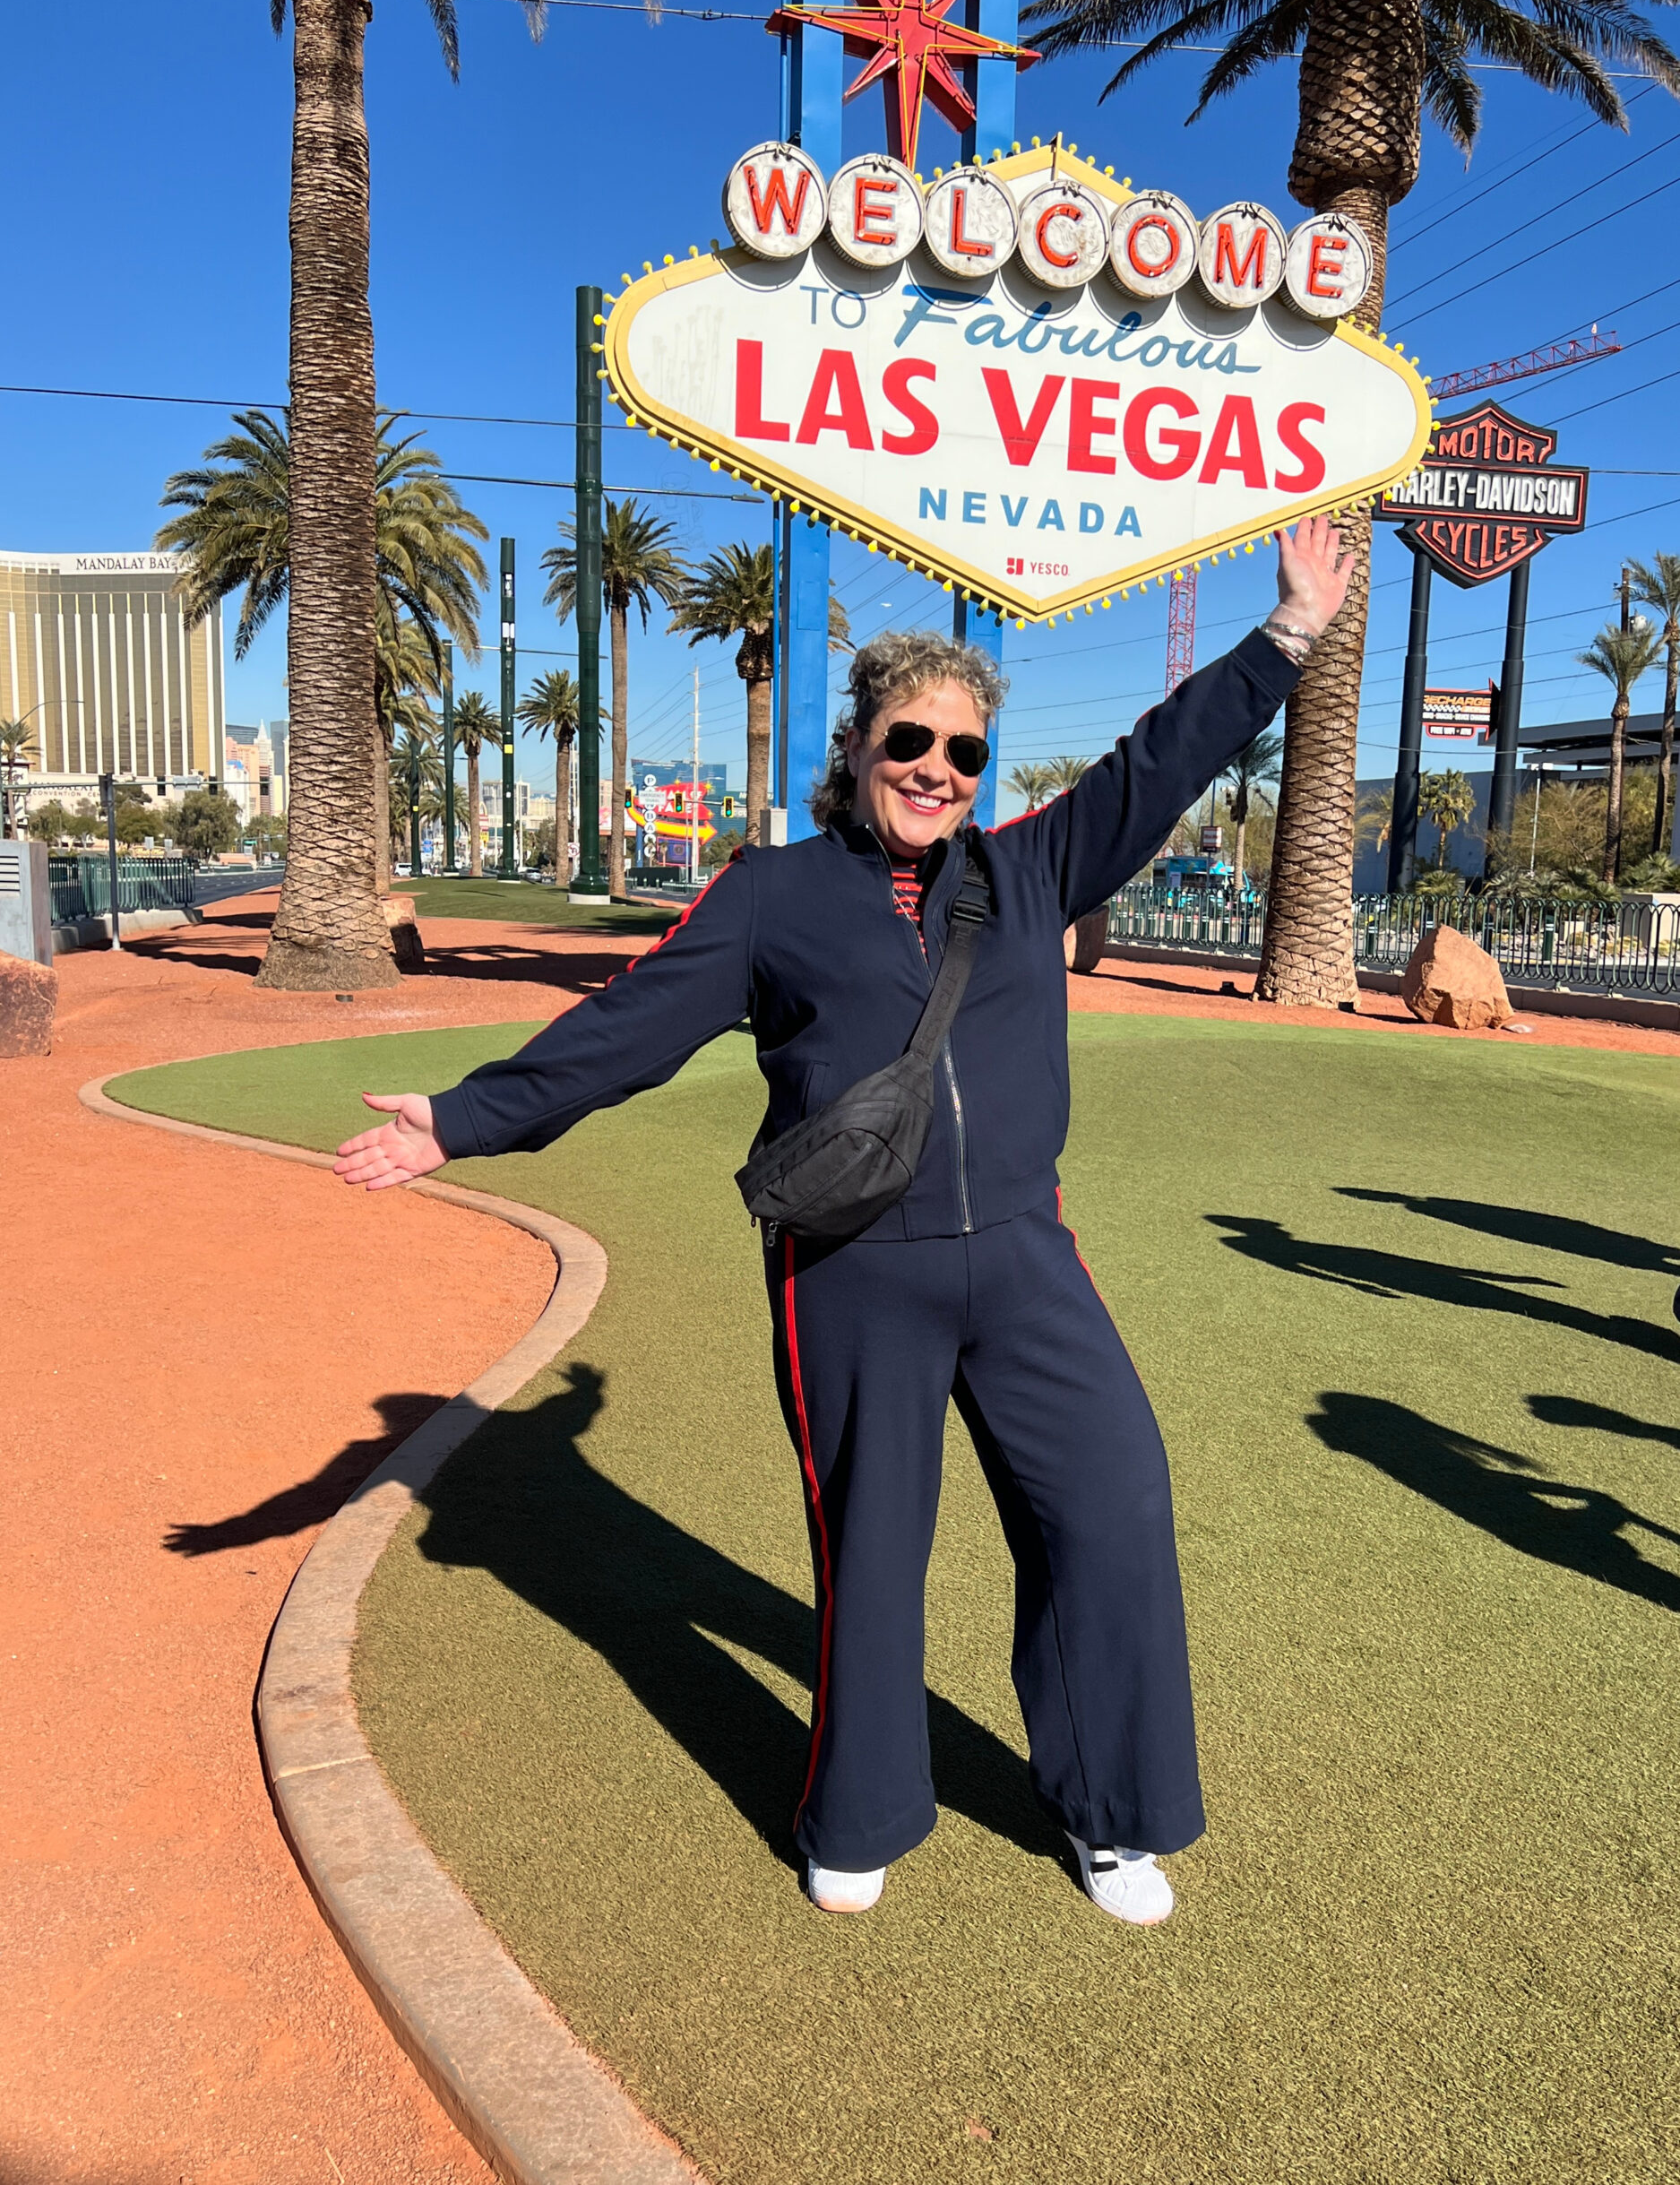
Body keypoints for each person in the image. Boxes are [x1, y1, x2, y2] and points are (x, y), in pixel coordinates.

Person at [335, 516, 1354, 1925]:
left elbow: (1158, 763)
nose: (936, 771)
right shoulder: (774, 897)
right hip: (852, 1272)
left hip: (1023, 1260)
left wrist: (1288, 634)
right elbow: (628, 1034)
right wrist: (461, 1118)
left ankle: (1113, 1816)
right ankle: (862, 1813)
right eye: (908, 744)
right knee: (874, 1545)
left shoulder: (1028, 871)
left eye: (962, 752)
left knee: (1112, 1503)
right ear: (859, 752)